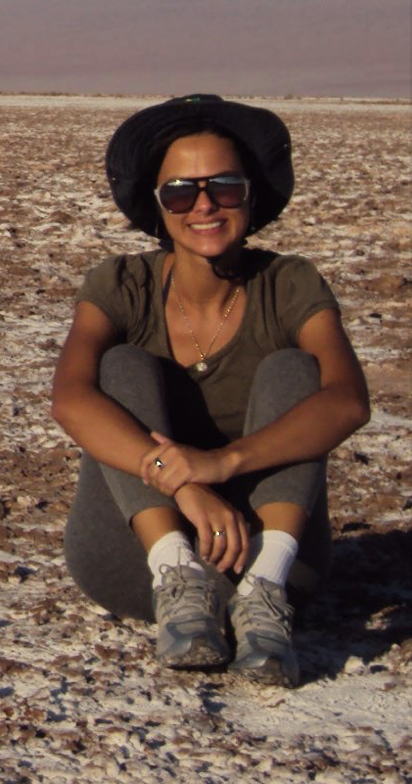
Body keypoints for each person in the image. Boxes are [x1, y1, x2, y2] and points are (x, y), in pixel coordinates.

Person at [50, 94, 370, 685]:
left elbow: (348, 400)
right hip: (134, 562)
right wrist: (183, 482)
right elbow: (70, 398)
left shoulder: (289, 284)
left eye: (223, 187)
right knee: (118, 368)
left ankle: (262, 602)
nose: (203, 206)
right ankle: (178, 576)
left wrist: (222, 463)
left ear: (250, 194)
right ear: (157, 205)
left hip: (269, 557)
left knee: (296, 373)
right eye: (180, 192)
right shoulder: (122, 285)